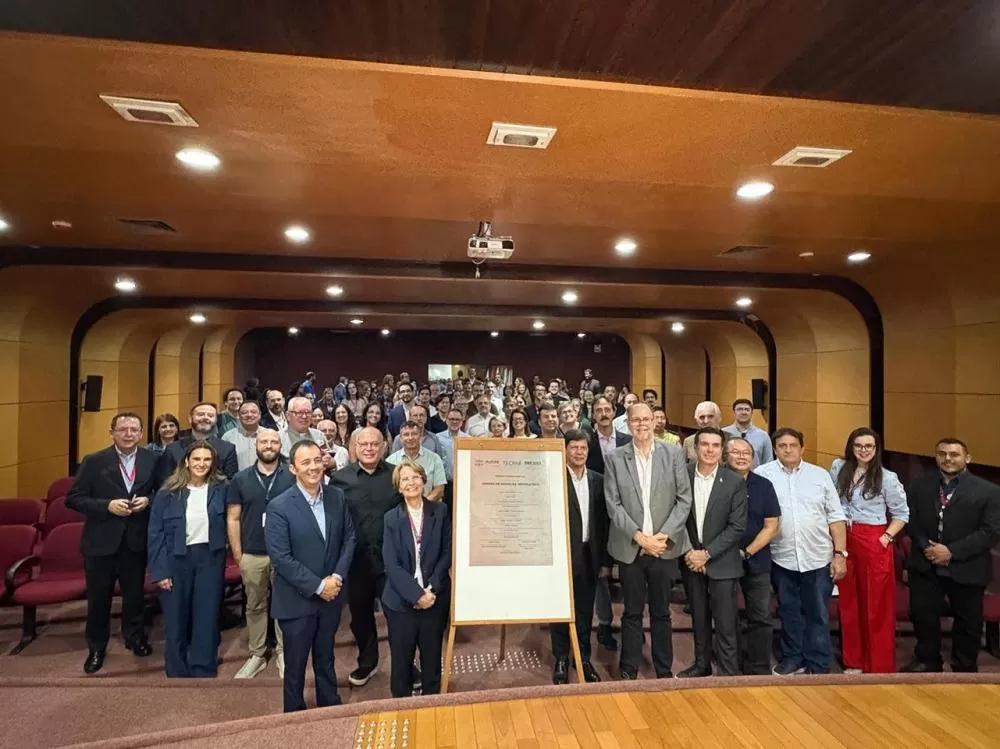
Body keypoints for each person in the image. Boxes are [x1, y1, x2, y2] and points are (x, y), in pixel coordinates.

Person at [266, 441, 357, 712]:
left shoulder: (336, 496)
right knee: (295, 665)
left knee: (326, 657)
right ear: (293, 468)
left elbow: (349, 538)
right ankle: (294, 714)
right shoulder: (279, 506)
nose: (314, 467)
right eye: (305, 463)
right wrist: (318, 586)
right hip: (297, 600)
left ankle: (329, 704)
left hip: (331, 595)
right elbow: (281, 558)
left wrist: (337, 578)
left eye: (317, 460)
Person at [66, 412, 160, 674]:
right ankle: (96, 647)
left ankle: (135, 637)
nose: (129, 434)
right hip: (101, 542)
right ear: (112, 433)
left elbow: (162, 489)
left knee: (134, 596)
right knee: (99, 599)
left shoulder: (152, 459)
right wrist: (106, 505)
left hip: (135, 540)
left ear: (141, 434)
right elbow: (73, 498)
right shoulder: (95, 461)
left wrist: (148, 501)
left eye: (134, 430)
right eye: (123, 429)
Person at [605, 403, 692, 679]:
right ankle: (628, 667)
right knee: (631, 612)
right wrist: (640, 538)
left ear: (655, 422)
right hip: (631, 548)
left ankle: (663, 668)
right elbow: (613, 504)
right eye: (636, 420)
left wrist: (661, 538)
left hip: (663, 549)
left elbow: (683, 499)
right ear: (627, 424)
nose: (641, 424)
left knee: (661, 613)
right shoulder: (615, 458)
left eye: (646, 419)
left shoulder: (674, 454)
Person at [902, 437, 1000, 674]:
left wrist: (951, 552)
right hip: (926, 564)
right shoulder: (919, 485)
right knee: (923, 615)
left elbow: (991, 532)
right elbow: (909, 519)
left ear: (967, 458)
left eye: (954, 454)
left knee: (968, 622)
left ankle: (964, 666)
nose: (948, 458)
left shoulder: (989, 491)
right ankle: (928, 661)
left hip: (968, 566)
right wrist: (928, 548)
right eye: (942, 453)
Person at [755, 428, 847, 675]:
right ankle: (793, 658)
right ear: (775, 449)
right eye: (782, 446)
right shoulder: (763, 475)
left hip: (817, 556)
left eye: (792, 445)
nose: (787, 450)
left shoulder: (820, 475)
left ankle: (818, 663)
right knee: (789, 611)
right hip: (781, 557)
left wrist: (840, 555)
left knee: (817, 613)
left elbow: (836, 517)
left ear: (802, 448)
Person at [829, 427, 908, 674]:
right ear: (851, 447)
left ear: (876, 449)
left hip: (873, 540)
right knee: (849, 602)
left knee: (876, 605)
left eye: (869, 446)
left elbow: (901, 514)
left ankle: (878, 664)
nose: (863, 451)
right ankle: (853, 660)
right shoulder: (838, 468)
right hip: (844, 538)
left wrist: (885, 538)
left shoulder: (888, 477)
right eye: (859, 446)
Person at [147, 442, 228, 677]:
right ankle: (177, 669)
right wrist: (160, 571)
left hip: (210, 558)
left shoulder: (222, 487)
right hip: (176, 559)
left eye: (206, 460)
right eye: (196, 459)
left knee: (207, 614)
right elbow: (155, 534)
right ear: (186, 462)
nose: (201, 464)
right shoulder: (168, 492)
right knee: (176, 616)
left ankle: (203, 666)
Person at [331, 427, 404, 689]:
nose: (370, 448)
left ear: (384, 447)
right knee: (360, 617)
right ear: (354, 447)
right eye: (364, 444)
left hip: (391, 561)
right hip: (356, 561)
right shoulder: (339, 479)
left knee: (398, 615)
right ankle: (368, 661)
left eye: (375, 444)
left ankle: (406, 664)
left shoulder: (395, 475)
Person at [677, 427, 747, 678]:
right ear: (695, 448)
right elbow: (676, 518)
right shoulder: (682, 475)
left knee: (726, 623)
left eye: (715, 445)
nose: (709, 450)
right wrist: (690, 552)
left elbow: (737, 526)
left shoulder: (735, 481)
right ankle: (701, 665)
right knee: (699, 618)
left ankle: (729, 672)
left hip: (722, 562)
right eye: (704, 444)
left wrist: (706, 554)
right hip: (690, 560)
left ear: (722, 450)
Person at [226, 429, 295, 679]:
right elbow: (233, 518)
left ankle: (284, 651)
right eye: (264, 441)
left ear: (280, 445)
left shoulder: (291, 474)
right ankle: (257, 653)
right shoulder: (240, 478)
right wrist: (238, 554)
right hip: (252, 553)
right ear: (256, 445)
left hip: (286, 554)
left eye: (273, 441)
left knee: (284, 604)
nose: (269, 445)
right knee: (255, 605)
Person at [381, 460, 451, 697]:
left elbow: (446, 553)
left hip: (435, 598)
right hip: (401, 603)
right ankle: (401, 709)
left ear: (424, 480)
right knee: (401, 664)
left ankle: (432, 709)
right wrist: (416, 594)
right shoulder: (391, 518)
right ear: (398, 488)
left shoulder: (440, 512)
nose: (411, 483)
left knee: (432, 662)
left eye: (415, 477)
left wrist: (431, 590)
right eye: (405, 480)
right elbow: (392, 564)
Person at [552, 430, 608, 685]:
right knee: (561, 608)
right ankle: (561, 657)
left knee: (585, 609)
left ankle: (582, 656)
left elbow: (603, 522)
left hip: (590, 554)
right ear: (565, 450)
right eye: (573, 447)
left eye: (583, 448)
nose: (578, 452)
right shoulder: (554, 479)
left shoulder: (598, 480)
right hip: (562, 556)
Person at [725, 438, 781, 675]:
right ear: (725, 456)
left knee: (760, 615)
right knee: (726, 617)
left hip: (756, 559)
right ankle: (731, 665)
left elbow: (772, 526)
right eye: (735, 452)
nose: (741, 456)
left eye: (746, 452)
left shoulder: (763, 485)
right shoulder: (719, 482)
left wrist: (747, 552)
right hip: (723, 560)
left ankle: (758, 666)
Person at [159, 402, 239, 481]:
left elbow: (230, 483)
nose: (205, 418)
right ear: (190, 419)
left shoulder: (228, 449)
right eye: (200, 414)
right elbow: (164, 483)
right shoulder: (173, 449)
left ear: (215, 421)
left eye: (210, 416)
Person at [387, 421, 446, 501]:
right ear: (400, 438)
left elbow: (439, 489)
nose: (410, 438)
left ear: (420, 436)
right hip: (401, 509)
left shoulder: (435, 459)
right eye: (406, 435)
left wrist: (422, 506)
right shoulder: (391, 461)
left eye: (414, 434)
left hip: (429, 507)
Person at [722, 399, 773, 469]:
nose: (743, 412)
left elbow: (768, 462)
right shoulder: (724, 433)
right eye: (739, 409)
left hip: (755, 477)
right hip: (728, 477)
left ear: (752, 413)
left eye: (747, 409)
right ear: (734, 412)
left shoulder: (763, 436)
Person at [222, 400, 263, 471]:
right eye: (244, 413)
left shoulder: (270, 435)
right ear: (239, 416)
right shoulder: (228, 437)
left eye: (253, 412)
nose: (249, 415)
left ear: (259, 414)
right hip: (236, 480)